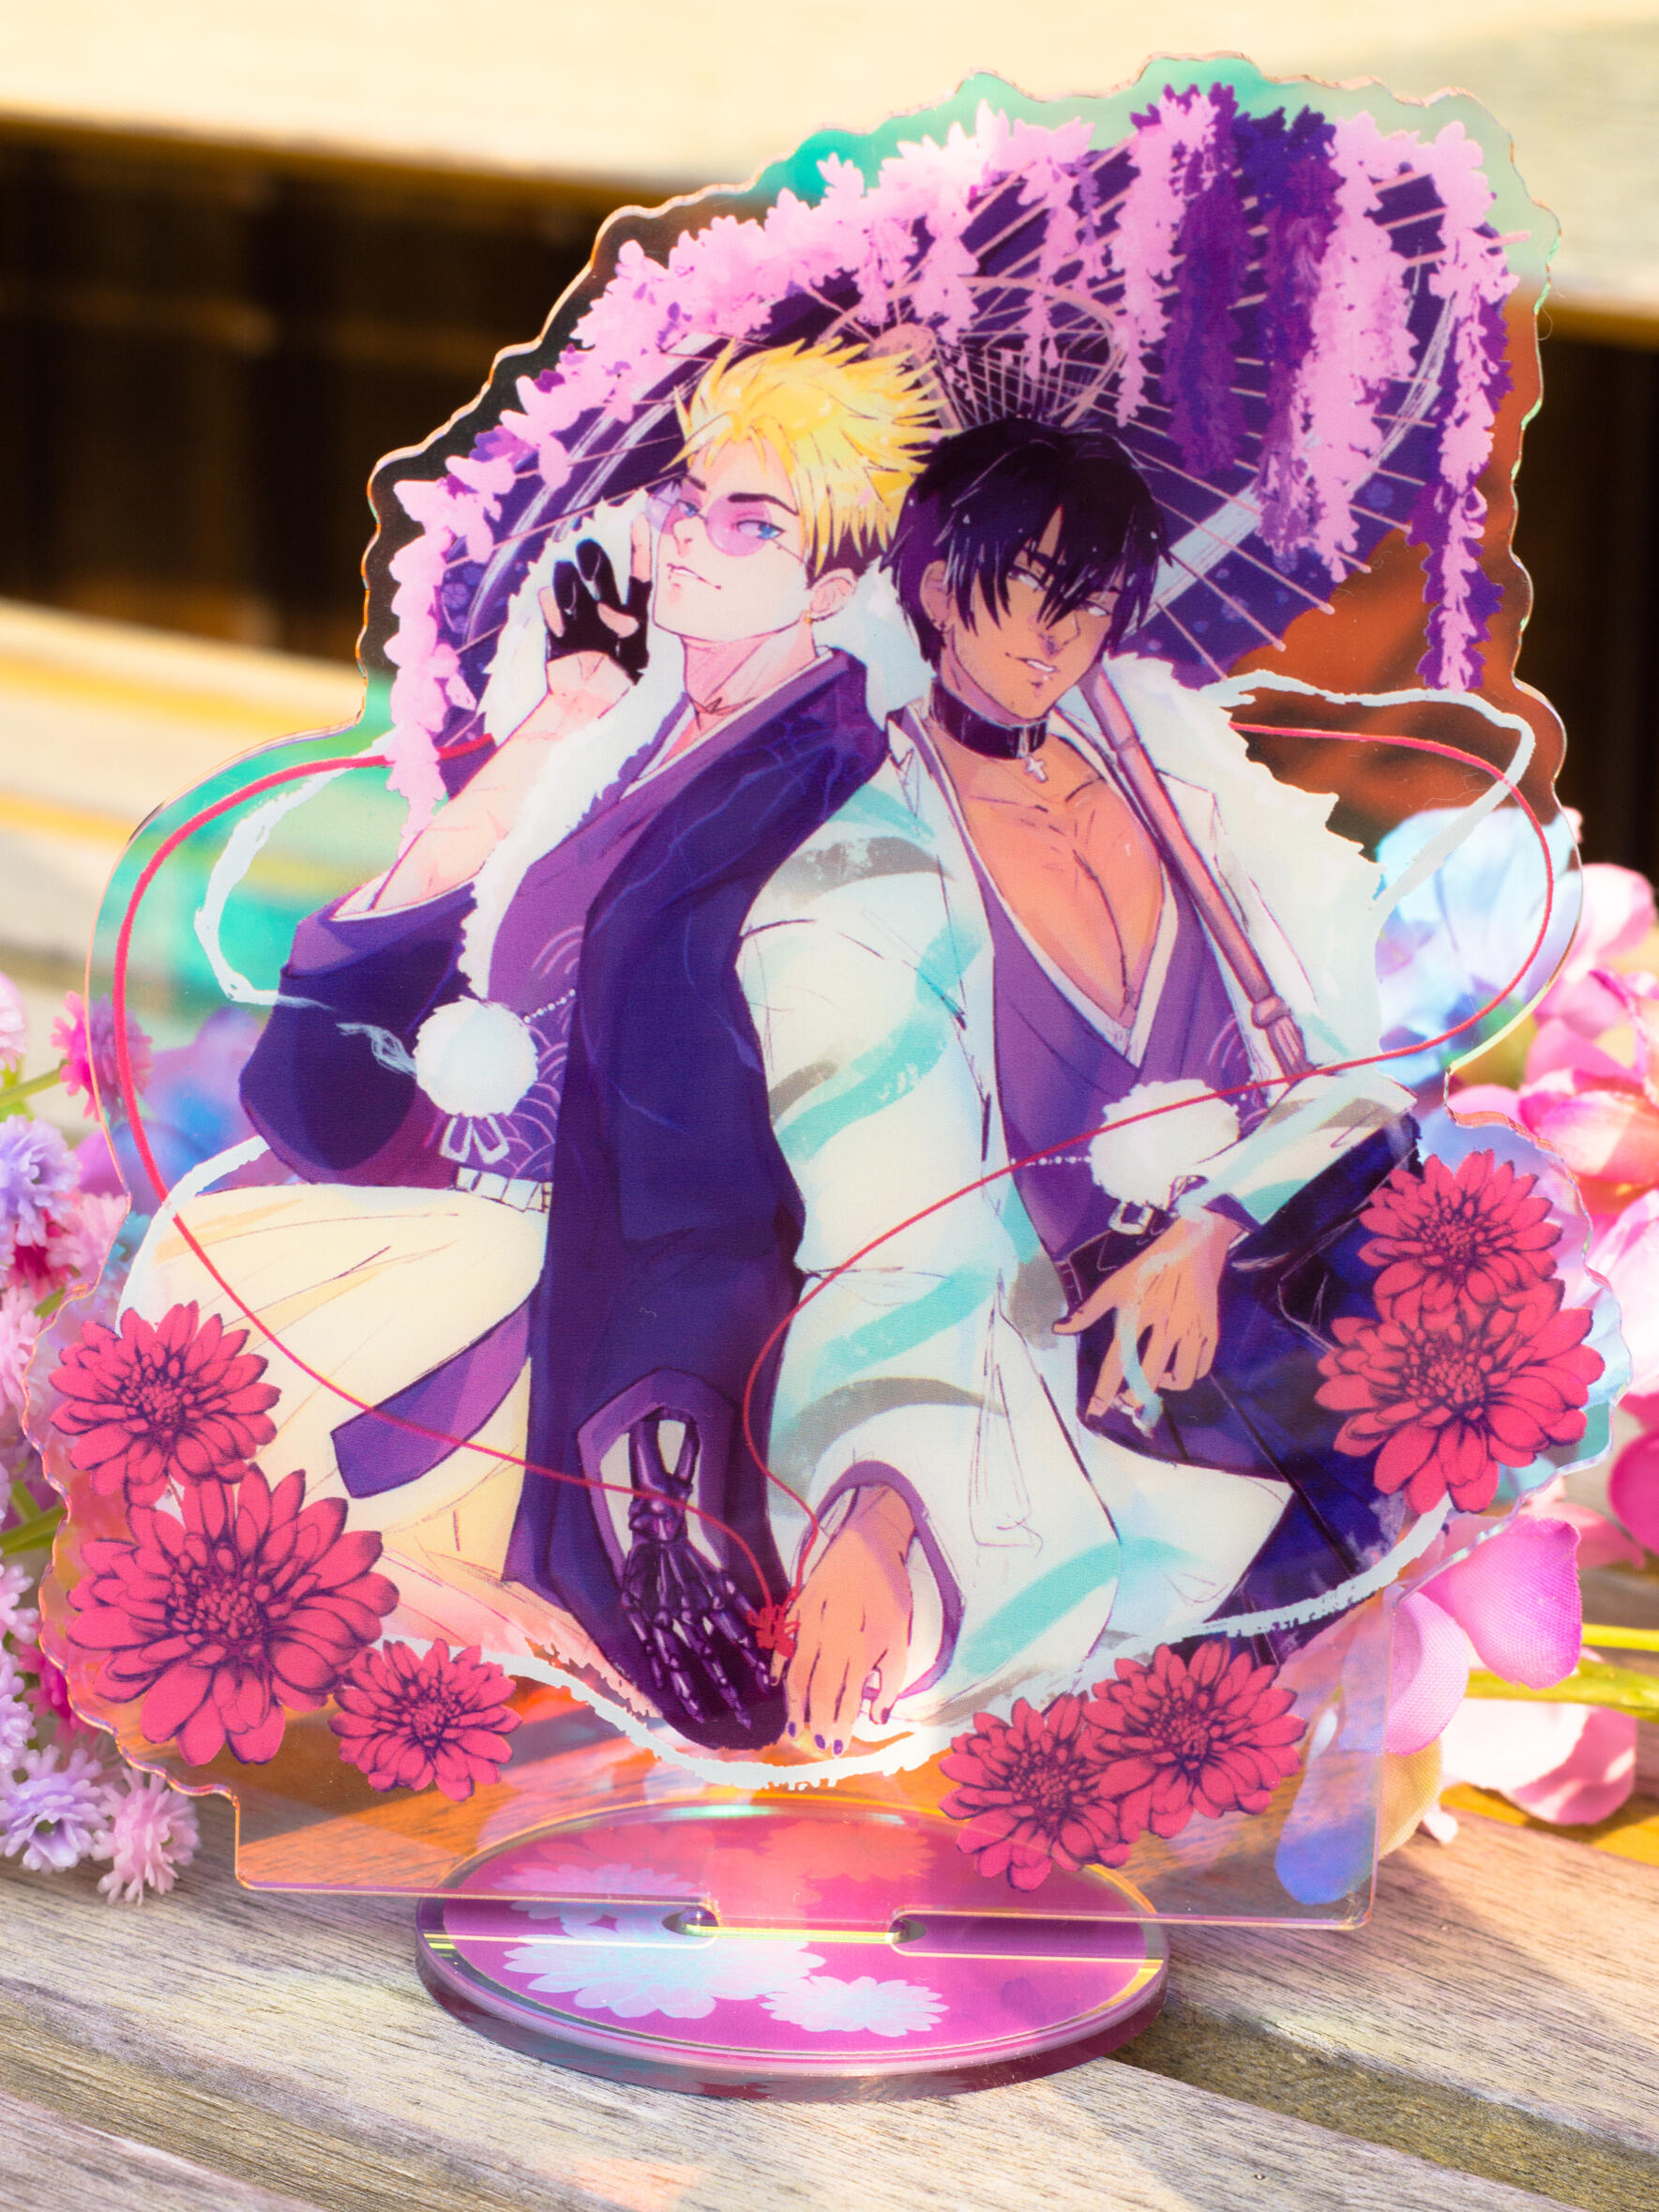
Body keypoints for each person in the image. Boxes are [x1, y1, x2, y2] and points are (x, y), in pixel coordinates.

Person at [124, 339, 934, 1750]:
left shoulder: (830, 784)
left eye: (752, 522)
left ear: (834, 584)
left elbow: (746, 1136)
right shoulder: (630, 729)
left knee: (266, 1472)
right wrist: (564, 714)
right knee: (193, 1355)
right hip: (481, 1233)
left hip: (600, 1298)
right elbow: (432, 929)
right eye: (689, 500)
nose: (691, 538)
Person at [734, 417, 1421, 1756]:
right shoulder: (853, 885)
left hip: (1310, 1332)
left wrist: (1213, 1224)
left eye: (1095, 601)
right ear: (941, 586)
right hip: (1089, 1410)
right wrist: (875, 1512)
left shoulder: (1187, 800)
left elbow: (1348, 1070)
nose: (1059, 637)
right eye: (1028, 588)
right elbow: (891, 1240)